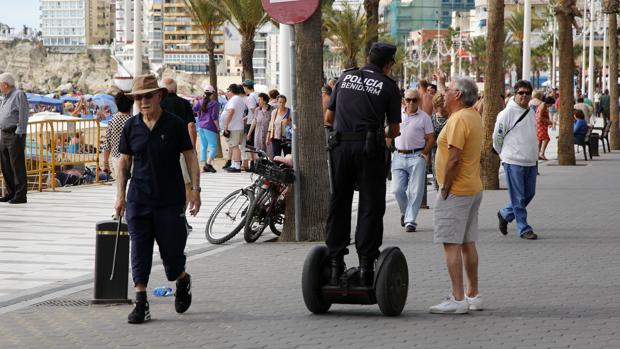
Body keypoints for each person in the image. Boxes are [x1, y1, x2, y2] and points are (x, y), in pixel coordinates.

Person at [115, 74, 201, 324]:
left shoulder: (174, 124)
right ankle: (141, 302)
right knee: (139, 249)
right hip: (138, 200)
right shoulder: (131, 126)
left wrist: (195, 189)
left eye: (148, 96)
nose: (143, 101)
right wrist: (120, 196)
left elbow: (190, 156)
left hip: (170, 200)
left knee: (172, 255)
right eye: (138, 97)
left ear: (159, 96)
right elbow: (124, 161)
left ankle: (182, 279)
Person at [323, 42, 401, 287]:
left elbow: (328, 117)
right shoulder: (388, 86)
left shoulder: (344, 79)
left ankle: (335, 264)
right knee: (370, 205)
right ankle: (366, 267)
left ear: (367, 57)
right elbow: (394, 130)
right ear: (388, 64)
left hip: (340, 148)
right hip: (369, 150)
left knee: (339, 202)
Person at [429, 77, 483, 314]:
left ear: (458, 95)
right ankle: (473, 293)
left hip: (457, 190)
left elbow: (453, 158)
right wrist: (442, 84)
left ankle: (458, 298)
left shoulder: (459, 120)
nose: (446, 93)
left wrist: (445, 188)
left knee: (451, 244)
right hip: (472, 188)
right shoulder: (471, 115)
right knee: (467, 243)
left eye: (450, 91)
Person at [493, 80, 539, 240]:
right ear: (515, 94)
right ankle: (523, 228)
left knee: (529, 194)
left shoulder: (531, 111)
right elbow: (497, 138)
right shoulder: (507, 113)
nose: (524, 96)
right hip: (513, 161)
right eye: (521, 93)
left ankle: (505, 214)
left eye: (527, 93)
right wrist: (504, 155)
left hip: (530, 161)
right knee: (518, 197)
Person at [391, 89, 434, 233]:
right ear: (404, 100)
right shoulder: (397, 114)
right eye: (408, 99)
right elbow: (390, 131)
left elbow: (431, 138)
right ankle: (405, 213)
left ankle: (410, 220)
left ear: (419, 101)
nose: (411, 102)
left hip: (416, 156)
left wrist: (424, 154)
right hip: (398, 155)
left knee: (416, 191)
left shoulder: (424, 118)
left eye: (414, 100)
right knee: (397, 190)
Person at [161, 78, 198, 231]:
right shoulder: (184, 104)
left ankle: (166, 216)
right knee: (186, 185)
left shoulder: (159, 104)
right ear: (175, 89)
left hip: (163, 151)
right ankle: (181, 216)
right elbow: (191, 126)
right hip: (182, 151)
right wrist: (192, 148)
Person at [0, 72, 29, 204]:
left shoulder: (18, 94)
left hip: (14, 134)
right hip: (4, 134)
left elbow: (23, 114)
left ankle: (20, 195)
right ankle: (11, 192)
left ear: (5, 84)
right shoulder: (5, 97)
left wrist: (20, 132)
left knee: (17, 165)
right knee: (6, 165)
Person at [102, 91, 134, 178]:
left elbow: (107, 144)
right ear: (131, 105)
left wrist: (105, 163)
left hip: (116, 157)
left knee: (120, 185)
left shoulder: (112, 120)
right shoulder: (133, 121)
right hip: (131, 158)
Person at [193, 85, 219, 173]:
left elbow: (194, 109)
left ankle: (204, 165)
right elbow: (214, 117)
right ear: (212, 94)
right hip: (210, 126)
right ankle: (208, 164)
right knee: (213, 146)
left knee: (203, 146)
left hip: (200, 126)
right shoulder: (214, 103)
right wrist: (218, 127)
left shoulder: (199, 102)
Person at [221, 84, 246, 172]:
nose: (227, 93)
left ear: (231, 91)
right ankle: (234, 164)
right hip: (238, 126)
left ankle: (237, 166)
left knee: (234, 147)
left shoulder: (234, 99)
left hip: (233, 127)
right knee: (234, 146)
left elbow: (231, 112)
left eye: (228, 91)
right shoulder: (239, 99)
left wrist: (226, 125)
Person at [431, 92, 448, 191]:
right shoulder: (432, 118)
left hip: (449, 151)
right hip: (436, 152)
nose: (443, 107)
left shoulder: (451, 116)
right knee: (438, 180)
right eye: (440, 105)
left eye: (443, 104)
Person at [536, 96, 553, 160]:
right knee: (546, 139)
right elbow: (540, 117)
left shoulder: (544, 105)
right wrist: (548, 121)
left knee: (540, 140)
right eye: (551, 104)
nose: (551, 105)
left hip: (541, 124)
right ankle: (542, 153)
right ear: (549, 102)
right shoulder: (543, 106)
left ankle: (537, 154)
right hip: (540, 125)